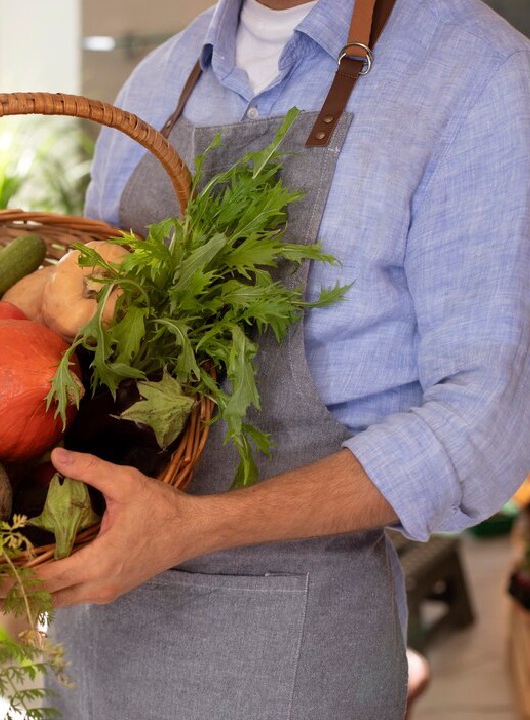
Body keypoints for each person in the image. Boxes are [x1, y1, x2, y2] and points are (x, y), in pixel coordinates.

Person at [35, 0, 530, 718]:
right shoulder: (153, 84)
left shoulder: (477, 74)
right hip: (88, 656)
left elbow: (480, 424)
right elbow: (82, 357)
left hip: (292, 656)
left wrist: (197, 525)